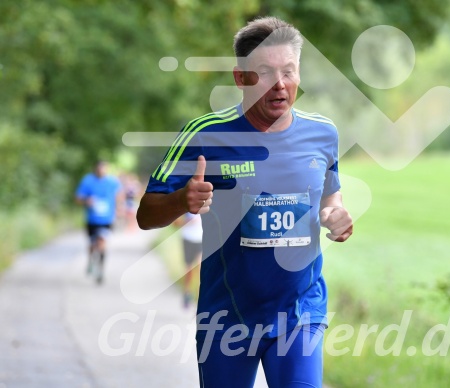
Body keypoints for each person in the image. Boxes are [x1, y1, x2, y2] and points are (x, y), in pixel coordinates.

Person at [137, 16, 353, 388]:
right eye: (266, 73)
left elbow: (329, 195)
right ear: (240, 79)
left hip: (298, 313)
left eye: (289, 71)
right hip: (227, 316)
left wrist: (335, 215)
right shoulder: (205, 135)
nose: (281, 84)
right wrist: (181, 200)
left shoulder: (323, 134)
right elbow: (145, 215)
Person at [76, 161, 123, 284]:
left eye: (104, 169)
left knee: (102, 242)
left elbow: (120, 195)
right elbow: (78, 198)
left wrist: (119, 208)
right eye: (99, 170)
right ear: (95, 169)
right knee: (92, 244)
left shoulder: (112, 182)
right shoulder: (87, 181)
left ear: (107, 170)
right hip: (92, 219)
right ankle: (91, 259)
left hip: (106, 219)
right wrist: (87, 201)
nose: (101, 172)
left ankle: (101, 270)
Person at [174, 212, 203, 309]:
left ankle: (200, 300)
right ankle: (187, 292)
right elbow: (175, 223)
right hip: (188, 238)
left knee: (201, 269)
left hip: (201, 239)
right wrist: (187, 221)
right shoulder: (186, 204)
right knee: (189, 269)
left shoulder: (209, 201)